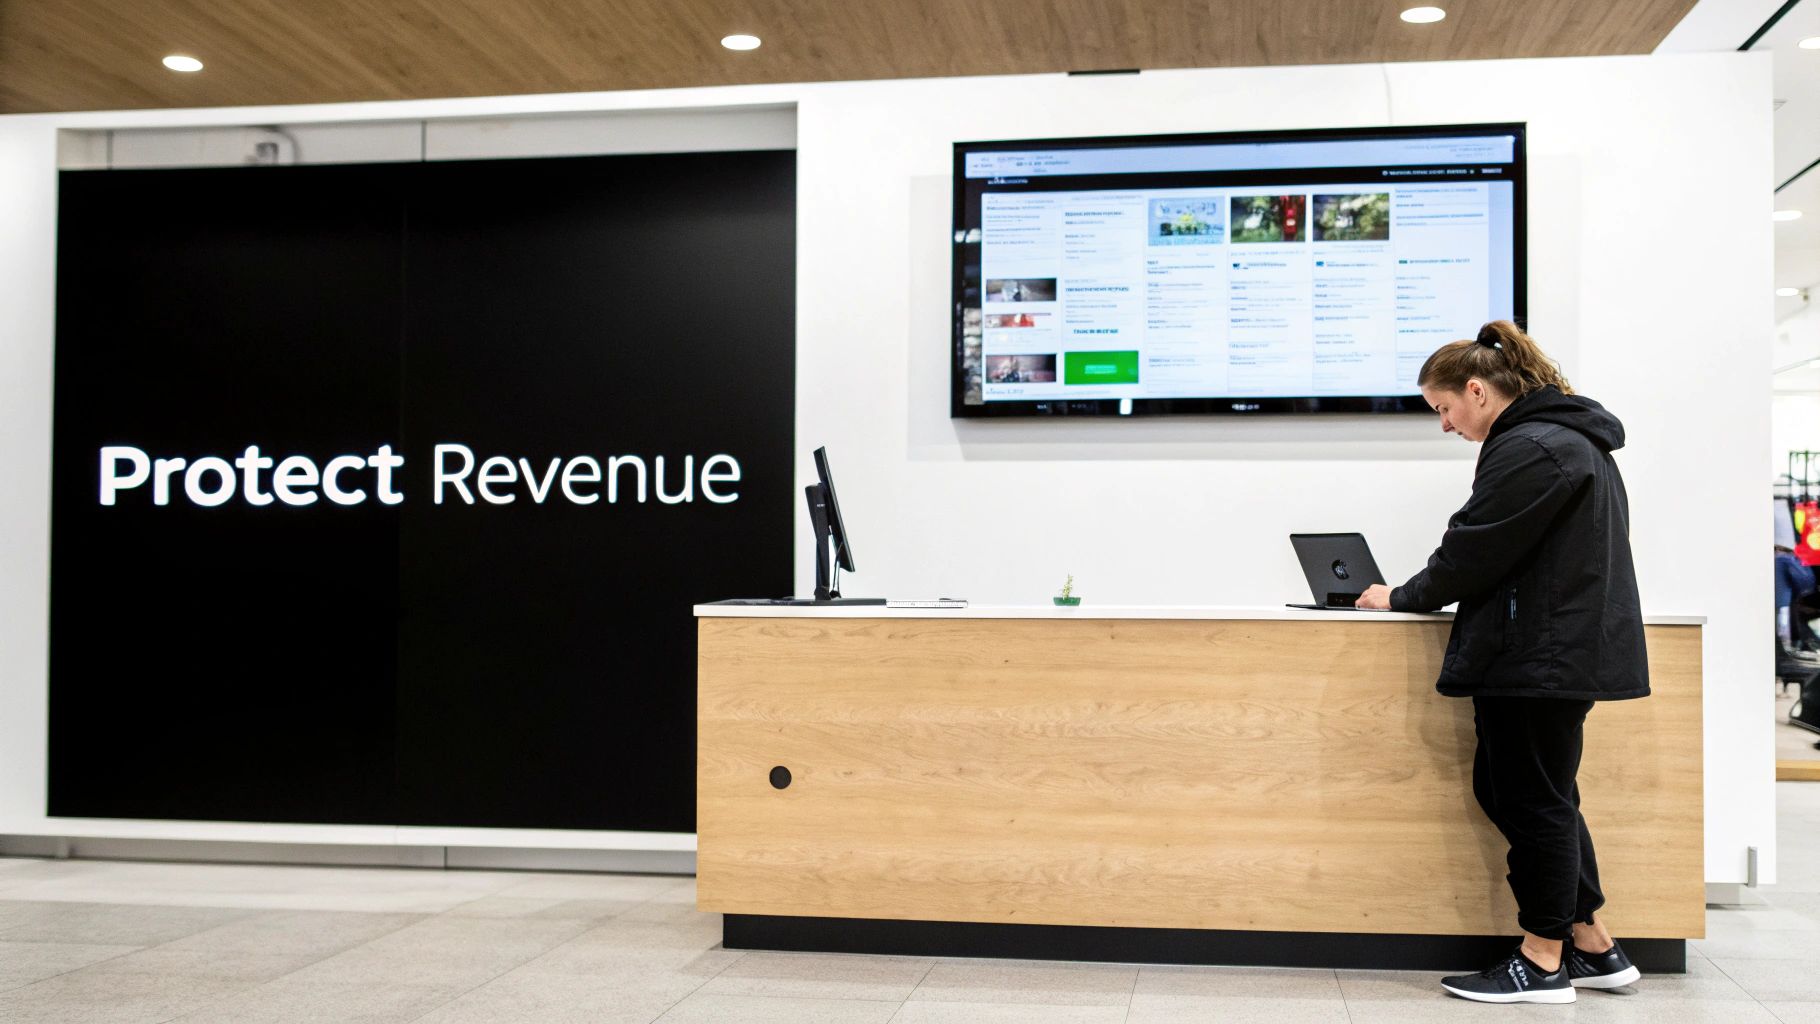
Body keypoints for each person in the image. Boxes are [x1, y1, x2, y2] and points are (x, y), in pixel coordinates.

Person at [1355, 321, 1647, 1004]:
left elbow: (1474, 547)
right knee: (1534, 795)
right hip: (1550, 652)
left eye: (1444, 409)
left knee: (1531, 800)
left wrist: (1402, 596)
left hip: (1537, 658)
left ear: (1478, 391)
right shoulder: (1565, 440)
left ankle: (1542, 961)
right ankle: (1592, 943)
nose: (1447, 426)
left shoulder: (1534, 448)